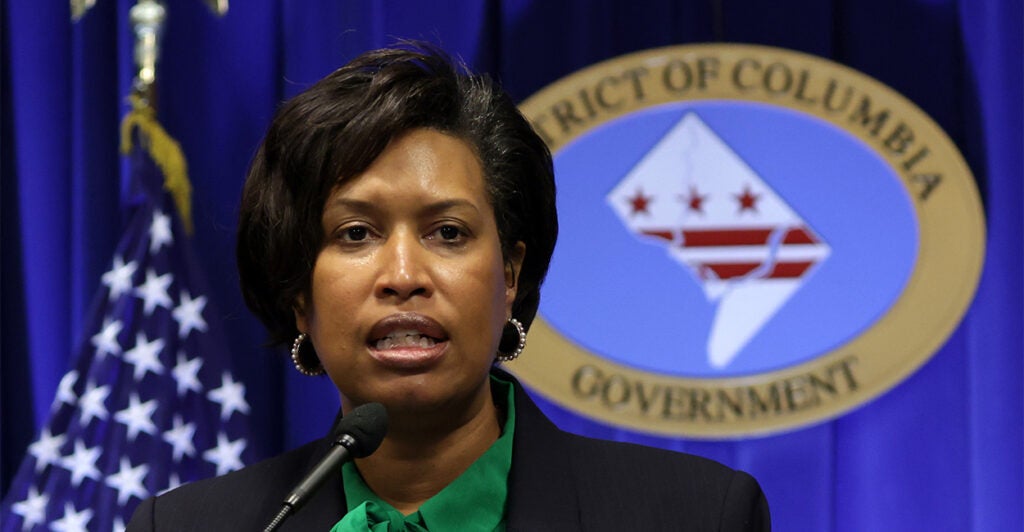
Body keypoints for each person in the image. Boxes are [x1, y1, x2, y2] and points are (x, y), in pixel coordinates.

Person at [127, 44, 770, 531]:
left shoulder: (695, 515)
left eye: (449, 233)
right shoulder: (194, 526)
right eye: (355, 233)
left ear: (511, 277)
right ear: (299, 294)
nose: (404, 277)